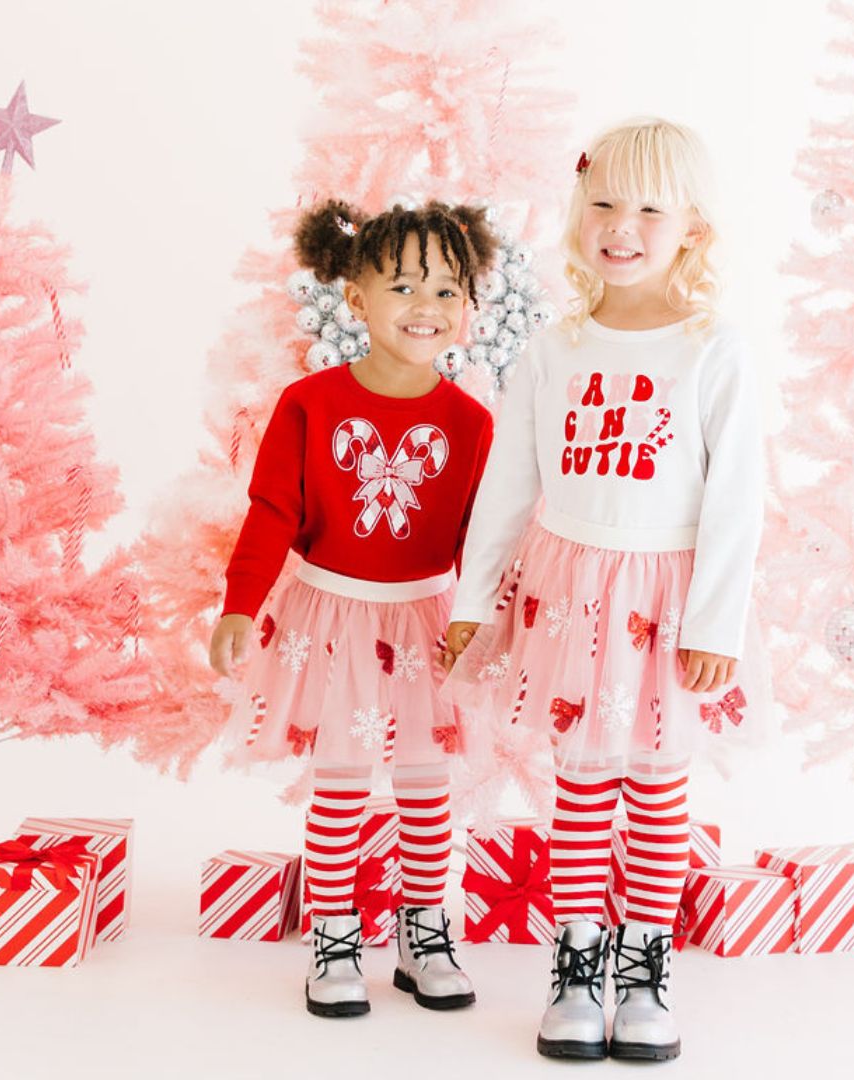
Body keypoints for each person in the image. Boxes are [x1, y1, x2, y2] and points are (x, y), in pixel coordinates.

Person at [444, 118, 770, 1061]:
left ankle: (644, 969)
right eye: (601, 204)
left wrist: (715, 623)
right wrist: (473, 607)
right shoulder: (555, 346)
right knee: (582, 783)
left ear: (692, 231)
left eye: (647, 210)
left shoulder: (713, 349)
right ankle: (578, 959)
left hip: (665, 602)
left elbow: (737, 499)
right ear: (577, 213)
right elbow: (508, 486)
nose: (619, 226)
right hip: (571, 596)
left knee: (658, 789)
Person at [210, 197, 496, 1018]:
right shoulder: (310, 405)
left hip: (422, 621)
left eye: (446, 291)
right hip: (331, 620)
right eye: (404, 286)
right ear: (357, 298)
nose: (426, 307)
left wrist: (476, 618)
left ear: (468, 307)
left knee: (423, 783)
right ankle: (334, 934)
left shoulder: (471, 423)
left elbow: (483, 532)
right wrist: (239, 605)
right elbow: (271, 511)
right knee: (338, 780)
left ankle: (422, 932)